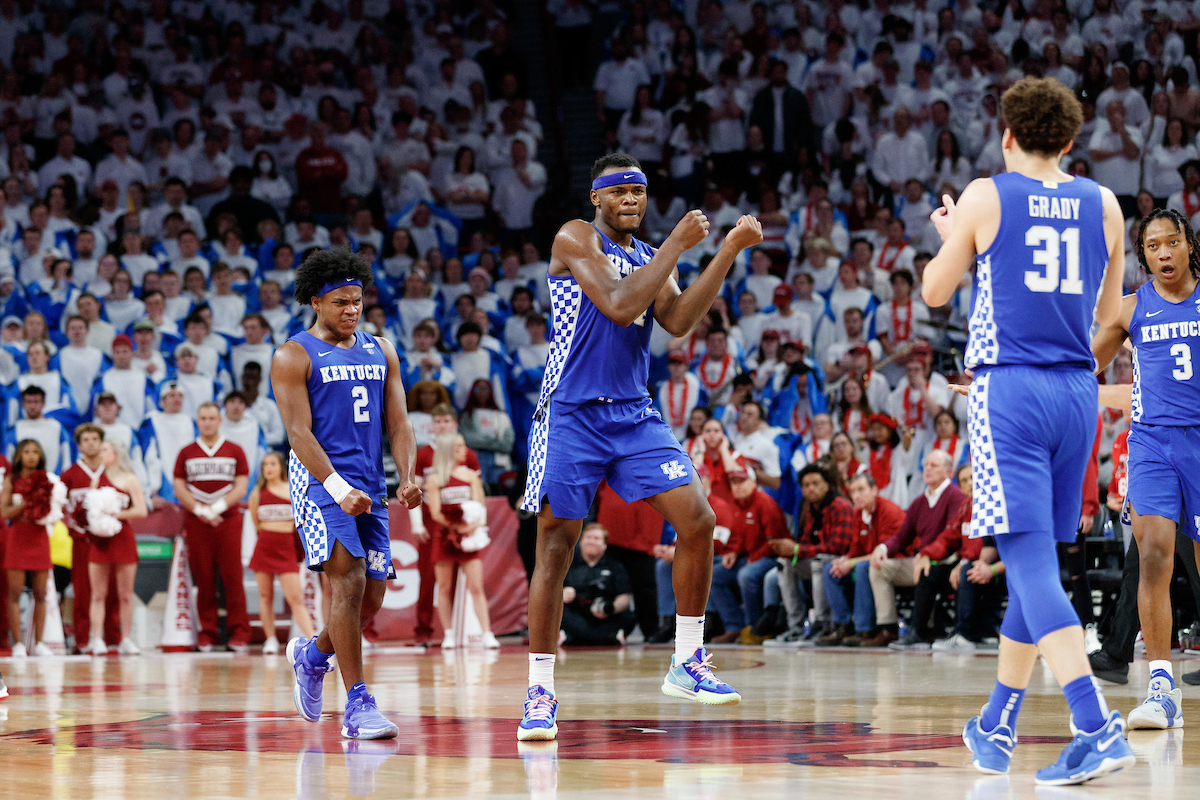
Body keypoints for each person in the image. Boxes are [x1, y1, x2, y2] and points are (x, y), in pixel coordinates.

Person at [922, 77, 1133, 783]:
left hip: (1009, 387)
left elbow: (934, 292)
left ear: (1006, 134)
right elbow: (1108, 314)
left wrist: (958, 236)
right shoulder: (1104, 203)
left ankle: (1096, 724)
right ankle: (996, 722)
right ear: (1071, 141)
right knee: (1034, 562)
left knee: (1033, 565)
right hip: (1077, 391)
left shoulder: (986, 195)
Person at [517, 154, 762, 741]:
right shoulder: (575, 237)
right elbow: (621, 305)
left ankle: (687, 659)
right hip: (571, 413)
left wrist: (726, 252)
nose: (631, 198)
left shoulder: (648, 254)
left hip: (632, 414)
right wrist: (677, 244)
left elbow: (675, 320)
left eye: (639, 190)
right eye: (619, 190)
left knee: (698, 521)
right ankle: (540, 691)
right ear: (597, 199)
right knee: (556, 549)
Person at [272, 249, 422, 741]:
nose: (351, 311)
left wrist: (408, 475)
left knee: (372, 598)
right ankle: (358, 705)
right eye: (341, 302)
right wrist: (336, 488)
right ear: (316, 301)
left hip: (371, 485)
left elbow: (399, 424)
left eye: (357, 301)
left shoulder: (382, 350)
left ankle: (313, 656)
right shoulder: (293, 355)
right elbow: (298, 433)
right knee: (349, 582)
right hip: (320, 483)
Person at [1090, 207, 1200, 730]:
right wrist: (1001, 382)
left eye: (1170, 243)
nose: (1162, 254)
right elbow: (1080, 369)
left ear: (1188, 244)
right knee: (1153, 552)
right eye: (1152, 247)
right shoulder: (1130, 310)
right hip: (1152, 444)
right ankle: (1162, 687)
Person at [173, 403, 250, 654]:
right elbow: (179, 486)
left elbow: (241, 485)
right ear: (197, 421)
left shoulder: (235, 450)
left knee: (232, 577)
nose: (207, 422)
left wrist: (216, 508)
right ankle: (207, 632)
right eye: (203, 418)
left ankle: (239, 632)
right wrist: (200, 510)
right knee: (203, 577)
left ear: (219, 420)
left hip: (228, 520)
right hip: (197, 522)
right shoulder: (186, 452)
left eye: (211, 418)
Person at [424, 432, 499, 650]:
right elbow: (435, 512)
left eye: (463, 445)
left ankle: (487, 633)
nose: (463, 450)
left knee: (476, 586)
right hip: (445, 537)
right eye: (458, 446)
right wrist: (456, 527)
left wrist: (472, 526)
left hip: (469, 537)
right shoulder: (435, 479)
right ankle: (448, 634)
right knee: (444, 586)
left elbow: (480, 505)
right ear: (447, 450)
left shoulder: (471, 477)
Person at [818, 473, 904, 647]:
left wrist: (852, 562)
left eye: (861, 490)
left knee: (864, 567)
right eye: (852, 491)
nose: (856, 495)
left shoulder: (889, 510)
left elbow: (886, 551)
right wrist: (844, 560)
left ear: (874, 490)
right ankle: (842, 625)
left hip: (895, 561)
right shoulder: (858, 514)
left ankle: (864, 629)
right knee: (830, 569)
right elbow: (855, 550)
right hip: (870, 563)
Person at [80, 438, 147, 656]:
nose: (100, 454)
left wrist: (116, 515)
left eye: (105, 450)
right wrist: (97, 520)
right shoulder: (97, 479)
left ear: (115, 454)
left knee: (125, 594)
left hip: (123, 537)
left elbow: (141, 510)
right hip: (101, 540)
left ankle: (126, 639)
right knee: (98, 593)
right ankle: (97, 639)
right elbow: (90, 508)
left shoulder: (130, 479)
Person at [249, 452, 314, 655]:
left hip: (286, 547)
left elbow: (299, 524)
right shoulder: (257, 493)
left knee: (296, 598)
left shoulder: (292, 491)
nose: (268, 468)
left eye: (273, 464)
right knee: (265, 596)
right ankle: (270, 639)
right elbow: (256, 524)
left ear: (281, 467)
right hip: (264, 546)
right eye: (265, 464)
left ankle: (314, 642)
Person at [3, 439, 55, 658]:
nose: (31, 455)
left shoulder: (49, 480)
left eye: (36, 451)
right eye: (26, 451)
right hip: (18, 536)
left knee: (40, 593)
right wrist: (26, 502)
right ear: (19, 456)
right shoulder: (11, 480)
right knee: (14, 593)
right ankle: (18, 644)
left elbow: (55, 509)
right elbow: (3, 512)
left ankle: (40, 643)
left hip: (39, 536)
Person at [560, 523, 636, 646]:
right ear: (581, 541)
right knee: (560, 614)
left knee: (629, 616)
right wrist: (563, 593)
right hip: (576, 612)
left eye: (596, 539)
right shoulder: (567, 565)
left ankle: (578, 637)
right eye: (588, 538)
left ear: (604, 545)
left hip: (605, 614)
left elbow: (625, 596)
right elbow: (551, 593)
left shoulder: (615, 566)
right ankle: (607, 637)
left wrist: (610, 609)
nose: (591, 542)